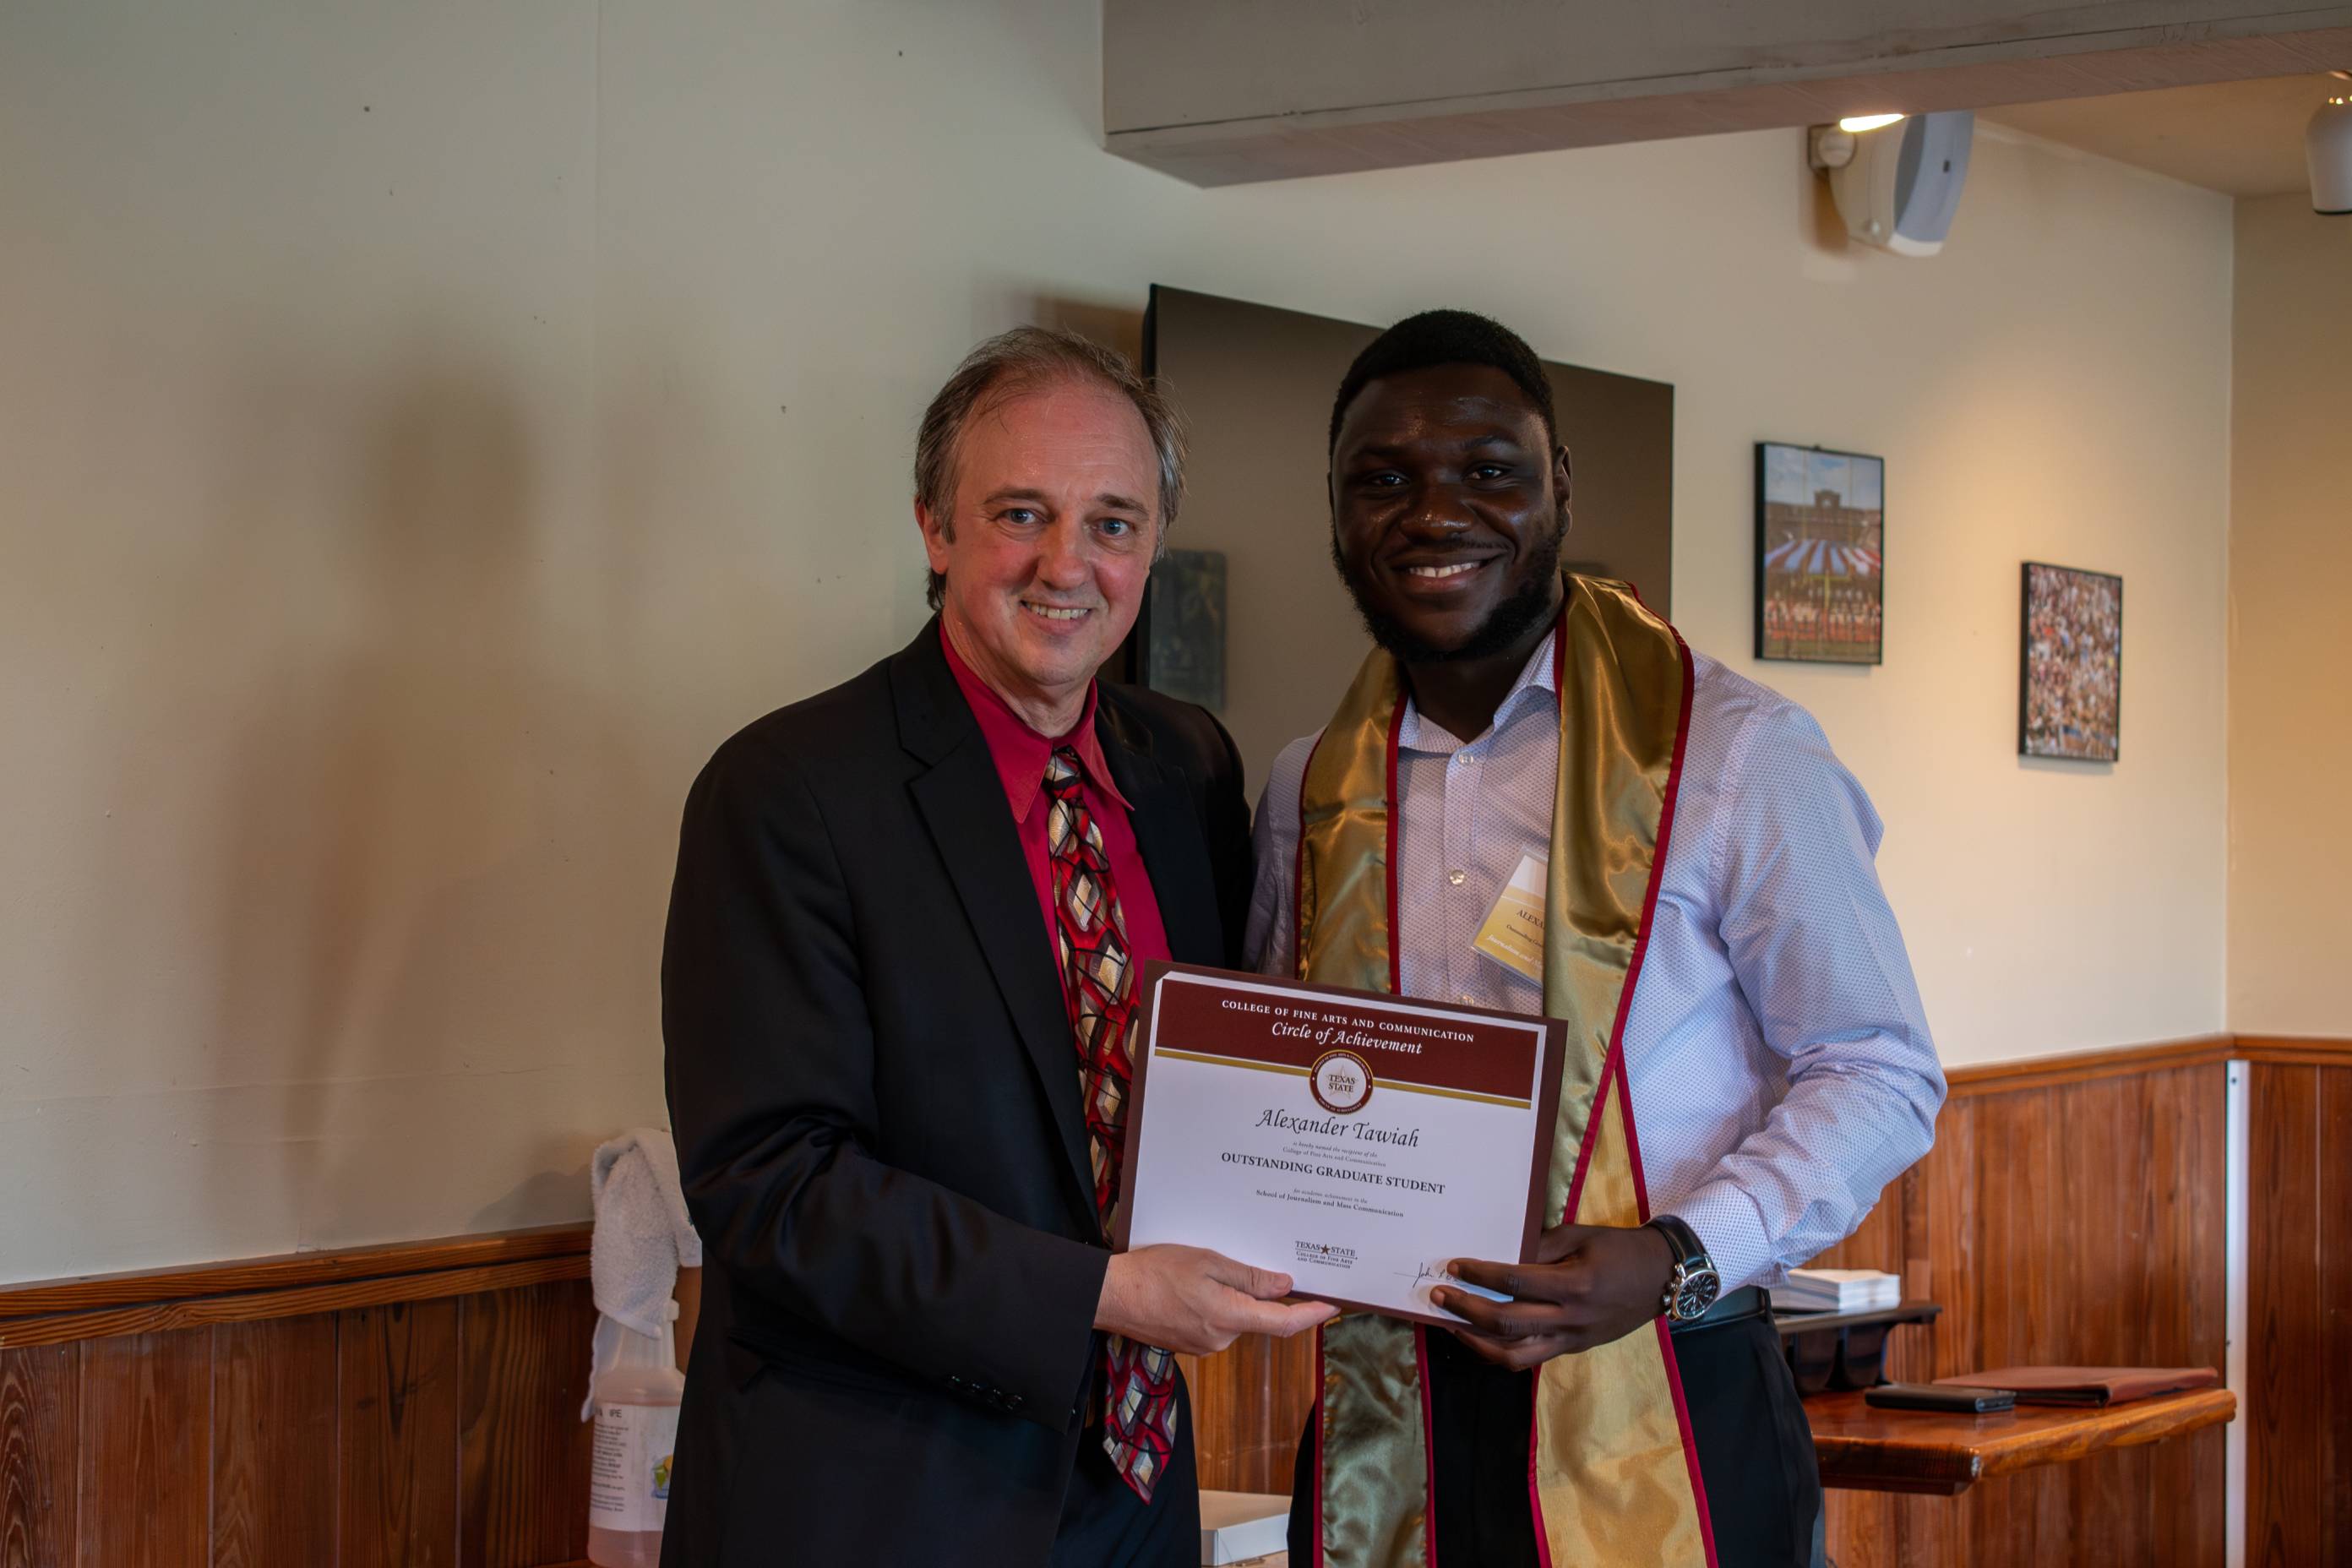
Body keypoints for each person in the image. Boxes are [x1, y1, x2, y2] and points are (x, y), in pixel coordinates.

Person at [1245, 311, 1944, 1568]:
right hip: (1386, 1411)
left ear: (1558, 483)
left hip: (1667, 1378)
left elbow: (1882, 1070)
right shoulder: (1309, 786)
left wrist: (1676, 1257)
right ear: (1339, 510)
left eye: (1489, 470)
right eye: (1385, 479)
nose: (1435, 512)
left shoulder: (1735, 755)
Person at [661, 327, 1333, 1567]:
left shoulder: (1185, 766)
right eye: (1022, 513)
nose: (1067, 564)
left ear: (1156, 544)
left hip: (1134, 1488)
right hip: (874, 1498)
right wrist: (1105, 1296)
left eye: (1114, 523)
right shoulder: (788, 790)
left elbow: (1243, 1065)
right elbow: (770, 1183)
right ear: (935, 527)